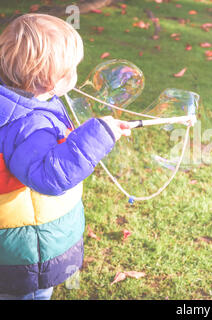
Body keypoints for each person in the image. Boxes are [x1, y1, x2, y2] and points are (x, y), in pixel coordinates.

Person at [0, 13, 130, 299]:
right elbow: (49, 175)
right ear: (45, 81)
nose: (75, 75)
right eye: (69, 71)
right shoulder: (29, 124)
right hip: (27, 252)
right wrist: (99, 136)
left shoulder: (14, 102)